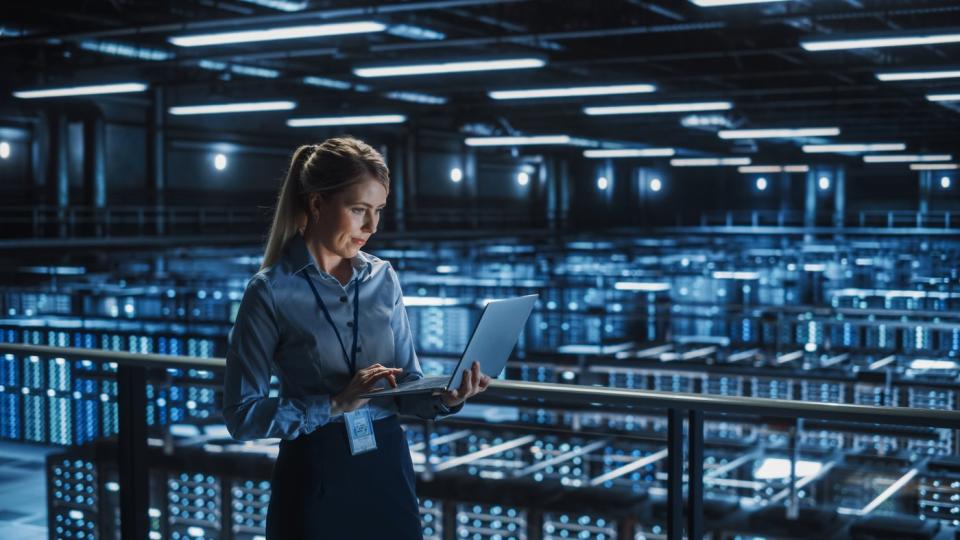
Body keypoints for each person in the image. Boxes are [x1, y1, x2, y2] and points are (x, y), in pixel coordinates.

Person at [221, 137, 491, 539]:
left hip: (386, 466)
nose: (372, 226)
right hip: (316, 470)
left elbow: (406, 383)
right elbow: (242, 414)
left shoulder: (384, 278)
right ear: (316, 203)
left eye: (378, 210)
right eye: (358, 210)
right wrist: (333, 404)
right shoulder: (270, 291)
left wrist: (446, 398)